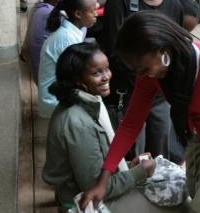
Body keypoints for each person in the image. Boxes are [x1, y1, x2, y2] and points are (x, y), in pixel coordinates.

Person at [80, 10, 200, 213]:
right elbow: (131, 124)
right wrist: (103, 181)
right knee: (198, 193)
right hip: (199, 137)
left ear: (162, 50)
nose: (141, 75)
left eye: (142, 69)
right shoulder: (151, 75)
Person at [43, 42, 188, 212]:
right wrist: (140, 171)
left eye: (107, 69)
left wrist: (127, 165)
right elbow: (96, 188)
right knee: (181, 202)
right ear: (77, 80)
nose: (106, 76)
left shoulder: (88, 102)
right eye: (97, 73)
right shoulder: (77, 123)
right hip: (86, 201)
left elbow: (96, 160)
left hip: (97, 189)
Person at [102, 0, 185, 161]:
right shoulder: (120, 0)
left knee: (161, 158)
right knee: (133, 158)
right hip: (129, 95)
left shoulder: (173, 5)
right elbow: (114, 52)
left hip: (160, 97)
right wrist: (147, 73)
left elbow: (176, 50)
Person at [38, 0, 97, 118]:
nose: (96, 14)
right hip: (53, 100)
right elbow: (76, 76)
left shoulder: (70, 32)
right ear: (78, 14)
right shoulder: (67, 38)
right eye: (92, 11)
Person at [22, 0, 70, 80]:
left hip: (37, 70)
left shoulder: (39, 7)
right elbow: (72, 37)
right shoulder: (51, 15)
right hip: (47, 76)